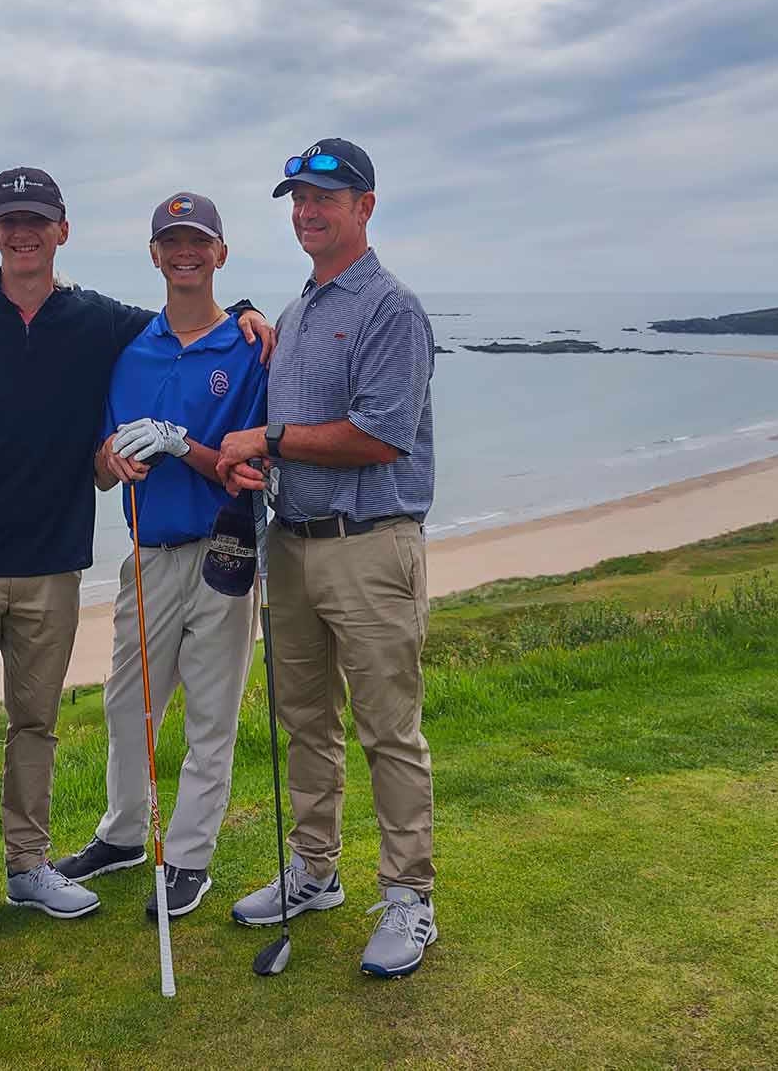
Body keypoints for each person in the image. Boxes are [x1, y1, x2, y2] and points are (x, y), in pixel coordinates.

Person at [0, 168, 273, 950]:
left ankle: (138, 859)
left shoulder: (137, 331)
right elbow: (102, 458)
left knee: (121, 719)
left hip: (156, 553)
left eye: (37, 220)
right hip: (2, 558)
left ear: (63, 232)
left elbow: (242, 436)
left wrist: (247, 315)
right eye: (10, 220)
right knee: (60, 716)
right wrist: (115, 456)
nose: (24, 233)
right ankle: (22, 861)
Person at [216, 138, 439, 978]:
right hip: (294, 543)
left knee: (390, 730)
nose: (308, 211)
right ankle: (316, 871)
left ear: (365, 206)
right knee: (304, 720)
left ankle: (409, 897)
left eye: (326, 197)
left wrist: (268, 435)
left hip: (373, 546)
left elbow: (381, 436)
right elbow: (298, 437)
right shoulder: (300, 310)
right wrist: (259, 459)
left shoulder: (391, 308)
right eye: (298, 199)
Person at [51, 193, 267, 919]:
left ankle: (191, 857)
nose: (186, 252)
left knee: (210, 712)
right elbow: (102, 464)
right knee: (126, 704)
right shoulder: (131, 350)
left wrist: (183, 443)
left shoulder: (247, 347)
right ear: (153, 253)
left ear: (220, 253)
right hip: (148, 552)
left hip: (224, 548)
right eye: (172, 241)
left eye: (199, 240)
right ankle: (122, 836)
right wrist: (115, 456)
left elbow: (242, 466)